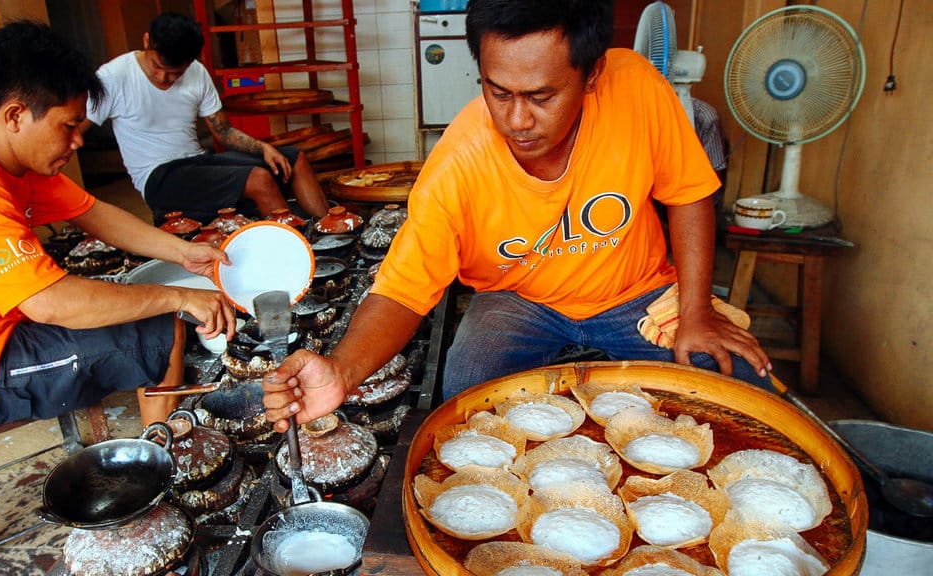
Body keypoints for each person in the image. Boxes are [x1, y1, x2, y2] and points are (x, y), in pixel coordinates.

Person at [261, 0, 773, 432]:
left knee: (744, 384)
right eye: (498, 92)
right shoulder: (457, 164)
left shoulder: (634, 87)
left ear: (591, 74)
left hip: (632, 292)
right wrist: (343, 371)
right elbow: (401, 290)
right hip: (518, 300)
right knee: (468, 397)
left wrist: (698, 309)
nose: (516, 120)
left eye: (541, 96)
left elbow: (689, 195)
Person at [0, 21, 238, 437]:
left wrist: (182, 252)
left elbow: (93, 212)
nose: (78, 141)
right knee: (160, 329)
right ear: (15, 116)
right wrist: (179, 296)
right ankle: (161, 454)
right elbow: (49, 304)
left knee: (126, 300)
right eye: (68, 126)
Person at [84, 11, 330, 226]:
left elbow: (223, 132)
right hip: (158, 178)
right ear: (147, 40)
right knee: (259, 179)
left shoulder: (197, 72)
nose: (163, 77)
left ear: (190, 62)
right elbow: (75, 124)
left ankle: (334, 231)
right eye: (157, 65)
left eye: (175, 73)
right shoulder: (114, 75)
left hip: (197, 163)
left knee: (293, 159)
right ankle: (296, 256)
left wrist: (263, 148)